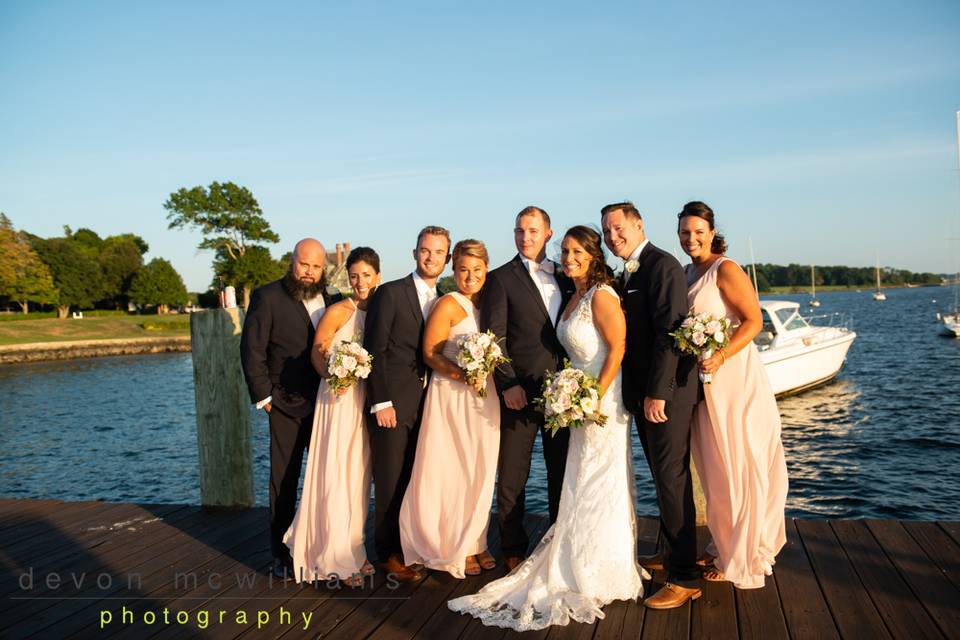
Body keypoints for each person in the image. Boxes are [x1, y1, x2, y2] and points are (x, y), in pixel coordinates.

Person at [449, 226, 644, 630]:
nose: (569, 258)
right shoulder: (567, 291)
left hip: (596, 401)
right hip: (564, 397)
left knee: (597, 479)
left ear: (592, 255)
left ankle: (602, 565)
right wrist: (519, 386)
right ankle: (541, 553)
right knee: (569, 478)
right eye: (566, 252)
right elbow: (498, 336)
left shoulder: (599, 294)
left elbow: (619, 348)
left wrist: (590, 396)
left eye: (576, 252)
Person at [677, 201, 788, 589]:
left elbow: (753, 320)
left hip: (733, 378)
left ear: (711, 232)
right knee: (713, 468)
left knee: (739, 462)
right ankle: (722, 540)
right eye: (684, 232)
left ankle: (740, 552)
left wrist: (721, 354)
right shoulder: (688, 271)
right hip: (702, 384)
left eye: (697, 231)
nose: (691, 238)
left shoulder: (726, 268)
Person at [601, 202, 701, 609]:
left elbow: (670, 332)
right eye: (606, 230)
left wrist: (658, 392)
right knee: (663, 480)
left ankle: (684, 576)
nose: (613, 236)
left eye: (619, 228)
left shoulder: (662, 266)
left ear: (639, 225)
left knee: (673, 480)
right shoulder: (627, 272)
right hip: (643, 394)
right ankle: (668, 553)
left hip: (667, 395)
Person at [239, 238, 341, 578]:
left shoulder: (333, 300)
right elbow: (252, 350)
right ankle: (280, 553)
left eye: (316, 266)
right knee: (284, 480)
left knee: (325, 478)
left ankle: (320, 546)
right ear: (292, 261)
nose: (310, 272)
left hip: (327, 404)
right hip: (283, 404)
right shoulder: (267, 297)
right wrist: (264, 397)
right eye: (304, 265)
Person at [399, 239, 501, 578]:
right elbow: (430, 353)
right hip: (452, 397)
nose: (470, 276)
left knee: (480, 470)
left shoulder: (490, 304)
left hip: (485, 400)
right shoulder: (448, 303)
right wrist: (464, 374)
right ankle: (457, 544)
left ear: (486, 269)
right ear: (453, 270)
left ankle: (478, 538)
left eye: (476, 269)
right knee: (454, 469)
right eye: (462, 270)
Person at [480, 206, 573, 571]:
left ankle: (557, 540)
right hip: (520, 393)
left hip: (563, 394)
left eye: (533, 231)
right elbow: (495, 338)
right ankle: (513, 547)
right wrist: (508, 384)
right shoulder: (501, 278)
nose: (526, 237)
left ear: (548, 234)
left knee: (561, 470)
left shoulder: (567, 275)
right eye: (520, 230)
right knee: (513, 474)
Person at [283, 247, 381, 586]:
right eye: (354, 276)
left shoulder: (381, 311)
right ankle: (336, 559)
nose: (360, 282)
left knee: (359, 478)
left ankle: (355, 549)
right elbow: (318, 350)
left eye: (366, 275)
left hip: (365, 403)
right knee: (337, 474)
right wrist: (335, 374)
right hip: (338, 400)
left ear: (377, 277)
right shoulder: (339, 310)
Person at [364, 226, 450, 582]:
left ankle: (412, 545)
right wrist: (381, 401)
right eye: (425, 250)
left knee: (418, 480)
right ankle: (388, 554)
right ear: (415, 252)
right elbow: (375, 351)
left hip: (430, 406)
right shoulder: (391, 293)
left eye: (438, 252)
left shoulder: (444, 298)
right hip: (393, 405)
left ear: (446, 258)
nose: (431, 257)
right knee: (389, 481)